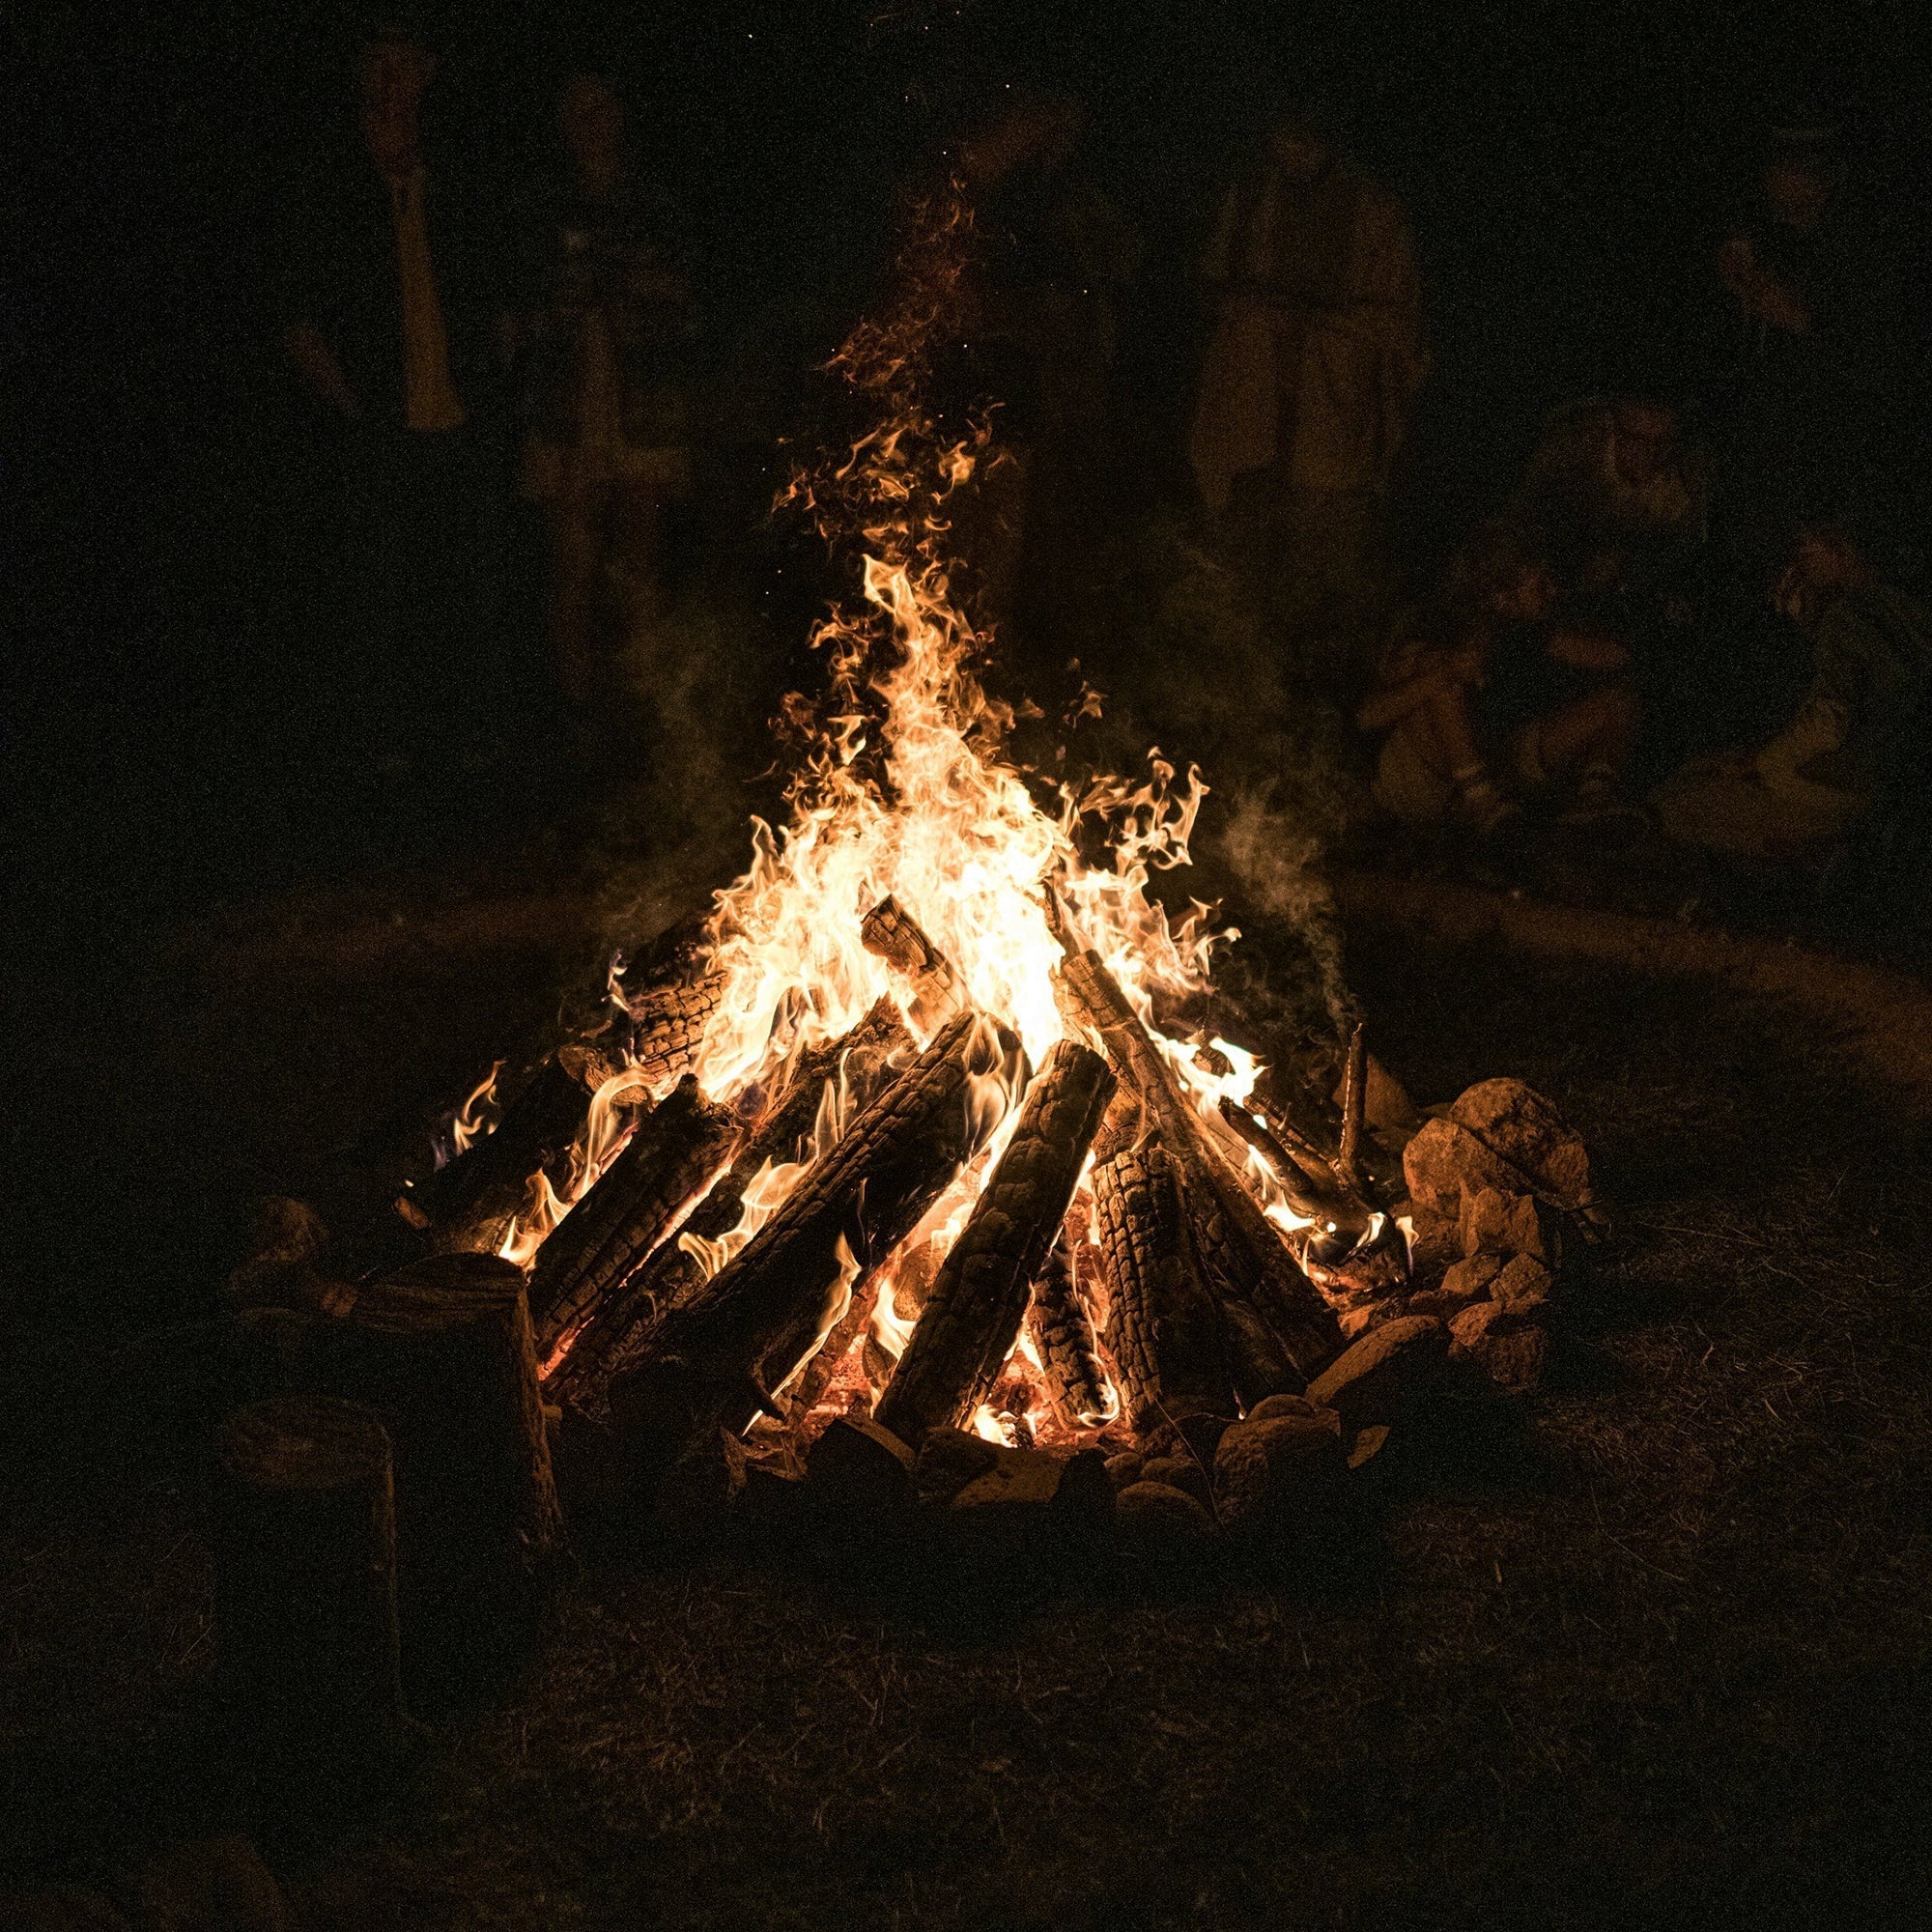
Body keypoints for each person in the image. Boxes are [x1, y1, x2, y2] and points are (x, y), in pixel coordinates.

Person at [279, 22, 506, 778]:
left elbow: (490, 285)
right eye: (379, 66)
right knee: (379, 583)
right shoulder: (332, 176)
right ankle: (383, 747)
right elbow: (301, 307)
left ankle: (466, 732)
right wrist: (348, 401)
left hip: (456, 405)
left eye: (405, 68)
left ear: (426, 75)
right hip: (376, 412)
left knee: (461, 575)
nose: (392, 83)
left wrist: (491, 370)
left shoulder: (455, 172)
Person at [1190, 105, 1429, 687]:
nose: (1290, 148)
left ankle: (1319, 710)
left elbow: (1405, 331)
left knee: (1325, 586)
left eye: (1303, 134)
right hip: (1246, 422)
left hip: (1330, 435)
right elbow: (1210, 289)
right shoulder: (1250, 197)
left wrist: (1316, 322)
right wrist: (1250, 311)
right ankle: (1232, 698)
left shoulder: (1375, 214)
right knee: (1238, 579)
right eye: (1281, 135)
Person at [508, 69, 696, 725]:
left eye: (602, 108)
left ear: (621, 116)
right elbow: (514, 316)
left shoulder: (656, 204)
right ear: (564, 126)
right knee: (574, 559)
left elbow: (686, 304)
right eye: (578, 111)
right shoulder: (543, 208)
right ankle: (576, 707)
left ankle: (642, 699)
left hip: (642, 397)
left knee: (641, 556)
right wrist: (548, 311)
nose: (591, 124)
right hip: (567, 400)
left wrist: (635, 290)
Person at [1652, 523, 1932, 863]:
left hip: (1883, 777)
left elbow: (1828, 723)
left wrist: (1761, 761)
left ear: (1841, 550)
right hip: (1896, 767)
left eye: (1807, 554)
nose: (1801, 569)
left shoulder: (1848, 619)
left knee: (1687, 802)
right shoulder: (1900, 604)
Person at [1358, 523, 1641, 835]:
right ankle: (1482, 804)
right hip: (1421, 780)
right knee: (1443, 678)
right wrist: (1444, 673)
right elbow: (1367, 717)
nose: (1552, 591)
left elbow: (1615, 657)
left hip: (1497, 763)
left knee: (1616, 702)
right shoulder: (1433, 629)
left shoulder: (1527, 632)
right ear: (1501, 596)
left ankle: (1594, 802)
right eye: (1540, 586)